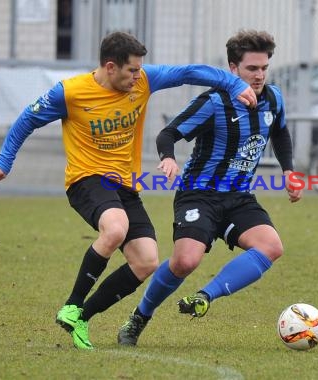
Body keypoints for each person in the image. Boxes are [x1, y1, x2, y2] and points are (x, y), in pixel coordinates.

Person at [0, 31, 257, 350]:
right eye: (131, 70)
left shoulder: (143, 80)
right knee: (116, 228)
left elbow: (188, 72)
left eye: (140, 69)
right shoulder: (70, 93)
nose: (137, 76)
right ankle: (72, 305)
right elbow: (25, 121)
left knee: (146, 261)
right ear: (111, 67)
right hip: (87, 179)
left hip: (125, 187)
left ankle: (82, 318)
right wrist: (4, 161)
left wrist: (234, 83)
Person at [117, 29, 302, 346]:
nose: (259, 76)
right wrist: (168, 158)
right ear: (233, 68)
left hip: (238, 197)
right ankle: (138, 318)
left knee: (272, 246)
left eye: (263, 68)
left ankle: (205, 296)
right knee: (185, 262)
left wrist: (288, 171)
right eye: (251, 69)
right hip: (198, 195)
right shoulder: (214, 102)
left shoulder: (274, 99)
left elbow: (280, 133)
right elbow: (168, 134)